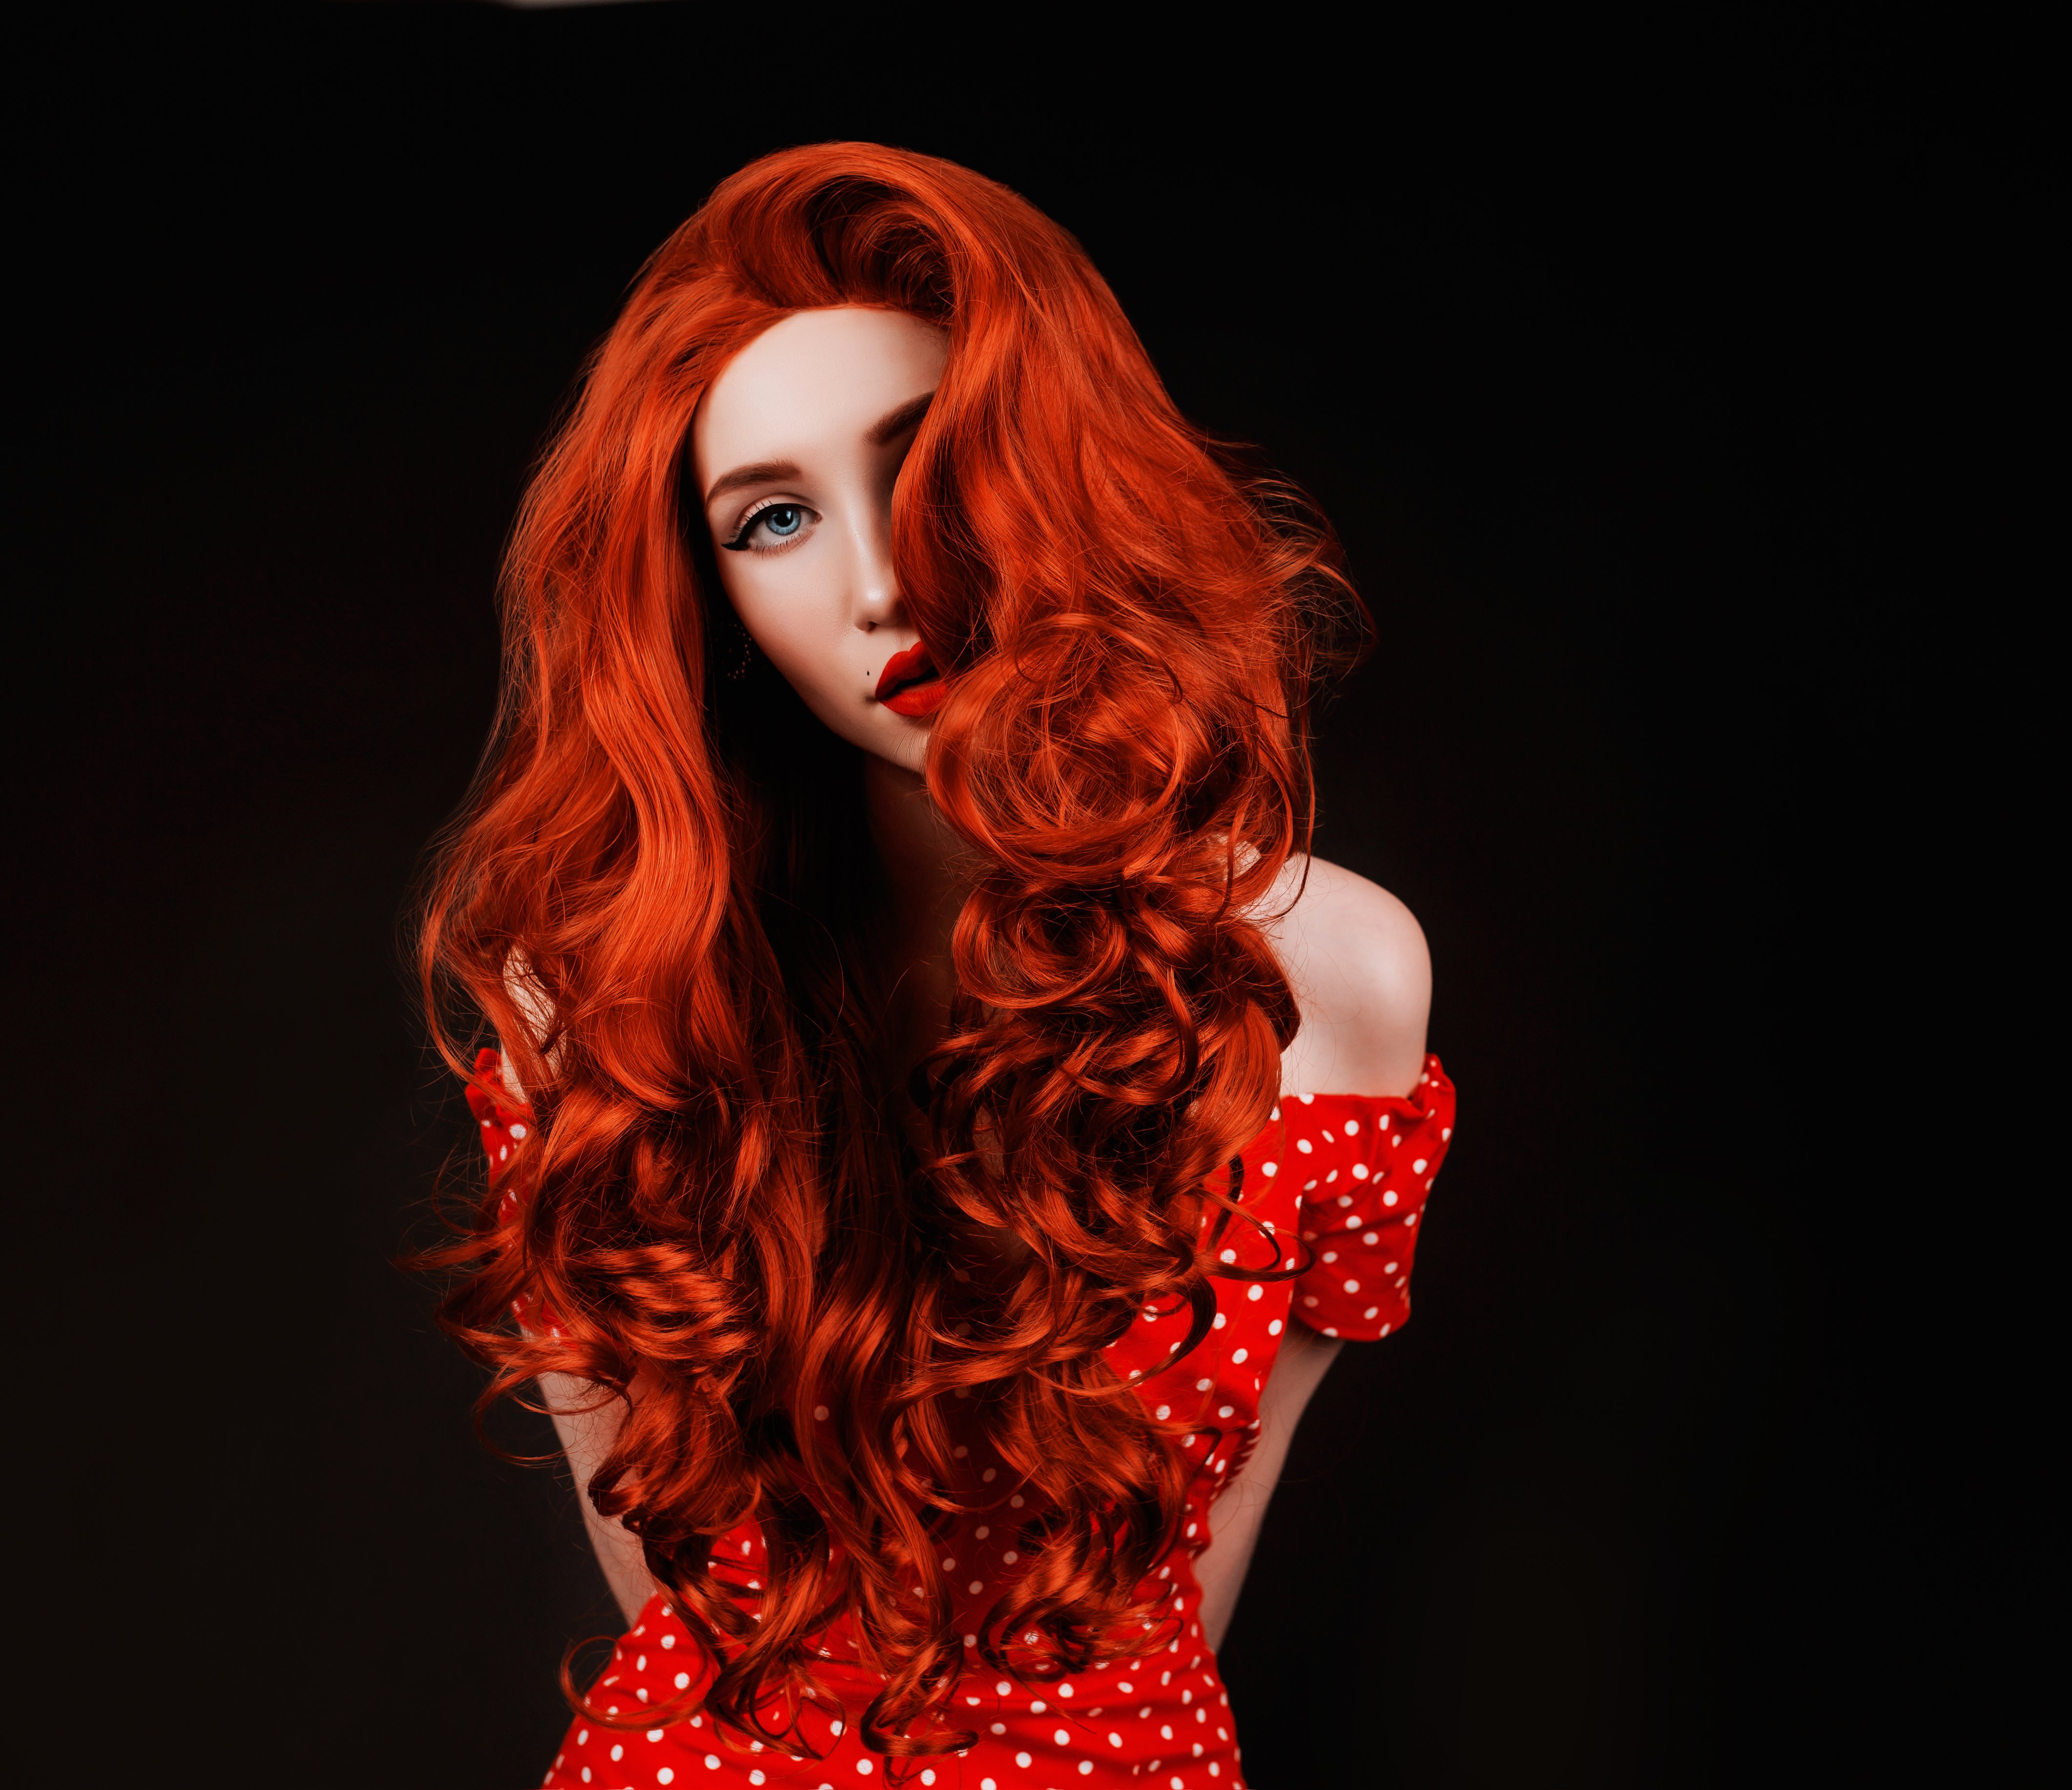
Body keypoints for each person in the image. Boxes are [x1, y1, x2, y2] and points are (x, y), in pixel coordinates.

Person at [416, 143, 1453, 1787]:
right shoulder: (596, 1001)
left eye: (927, 461)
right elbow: (674, 1603)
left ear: (1060, 468)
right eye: (771, 518)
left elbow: (1179, 1590)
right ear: (709, 599)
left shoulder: (1337, 972)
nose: (881, 580)